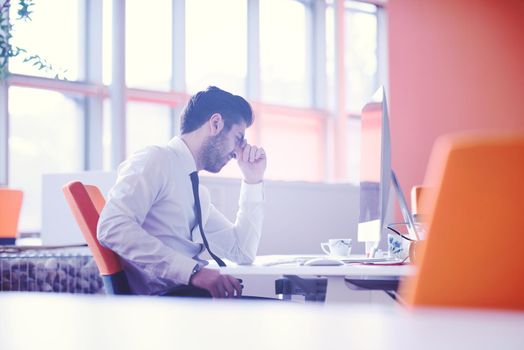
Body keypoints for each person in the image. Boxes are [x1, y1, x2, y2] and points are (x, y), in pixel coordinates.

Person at [97, 86, 266, 298]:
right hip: (168, 305)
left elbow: (242, 252)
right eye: (238, 138)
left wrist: (252, 181)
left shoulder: (197, 192)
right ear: (216, 124)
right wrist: (193, 272)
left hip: (187, 300)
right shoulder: (156, 160)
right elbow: (112, 226)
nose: (238, 152)